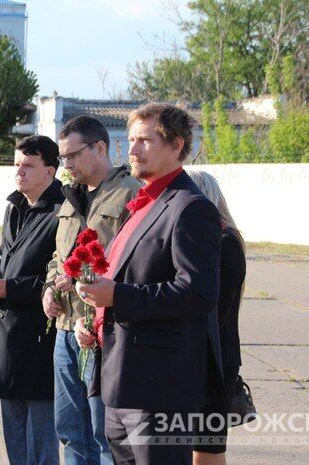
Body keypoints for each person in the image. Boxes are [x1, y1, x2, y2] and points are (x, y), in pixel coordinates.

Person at [74, 103, 225, 465]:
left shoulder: (190, 207)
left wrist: (118, 296)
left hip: (159, 389)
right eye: (130, 140)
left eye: (145, 140)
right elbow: (128, 277)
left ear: (176, 145)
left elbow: (197, 292)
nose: (133, 150)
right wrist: (95, 317)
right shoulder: (140, 204)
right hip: (119, 379)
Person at [40, 116, 140, 465]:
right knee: (70, 431)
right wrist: (50, 288)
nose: (66, 164)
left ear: (100, 148)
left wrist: (91, 298)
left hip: (102, 334)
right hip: (66, 331)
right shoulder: (71, 198)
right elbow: (58, 257)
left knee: (105, 436)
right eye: (63, 157)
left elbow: (133, 266)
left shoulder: (130, 193)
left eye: (72, 155)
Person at [0, 135, 64, 465]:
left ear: (50, 171)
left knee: (41, 443)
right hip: (8, 340)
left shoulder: (62, 211)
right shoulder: (14, 208)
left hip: (41, 339)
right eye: (17, 164)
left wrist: (10, 289)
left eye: (29, 165)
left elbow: (59, 277)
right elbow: (5, 261)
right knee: (15, 437)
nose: (20, 171)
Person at [187, 170, 246, 465]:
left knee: (206, 450)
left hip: (215, 359)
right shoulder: (210, 240)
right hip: (199, 357)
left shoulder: (225, 242)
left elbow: (217, 310)